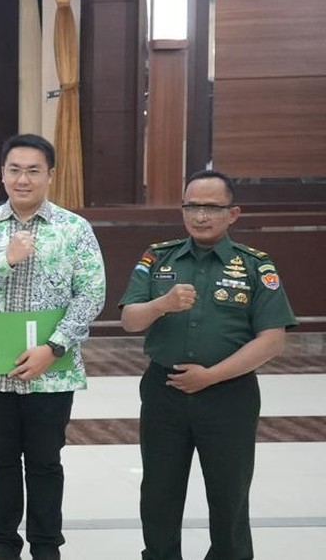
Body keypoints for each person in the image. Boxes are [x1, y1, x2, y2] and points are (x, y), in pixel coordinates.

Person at [119, 170, 295, 560]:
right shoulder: (158, 257)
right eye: (193, 206)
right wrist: (162, 304)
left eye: (212, 208)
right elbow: (130, 320)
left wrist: (210, 377)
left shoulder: (255, 266)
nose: (201, 216)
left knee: (229, 494)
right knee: (159, 493)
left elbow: (272, 339)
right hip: (164, 392)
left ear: (233, 213)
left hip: (229, 394)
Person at [0, 134, 106, 560]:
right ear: (2, 175)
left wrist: (53, 347)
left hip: (51, 370)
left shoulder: (74, 229)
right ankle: (3, 543)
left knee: (45, 462)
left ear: (50, 175)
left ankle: (46, 545)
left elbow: (92, 294)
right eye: (15, 170)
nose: (23, 179)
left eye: (33, 170)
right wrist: (6, 258)